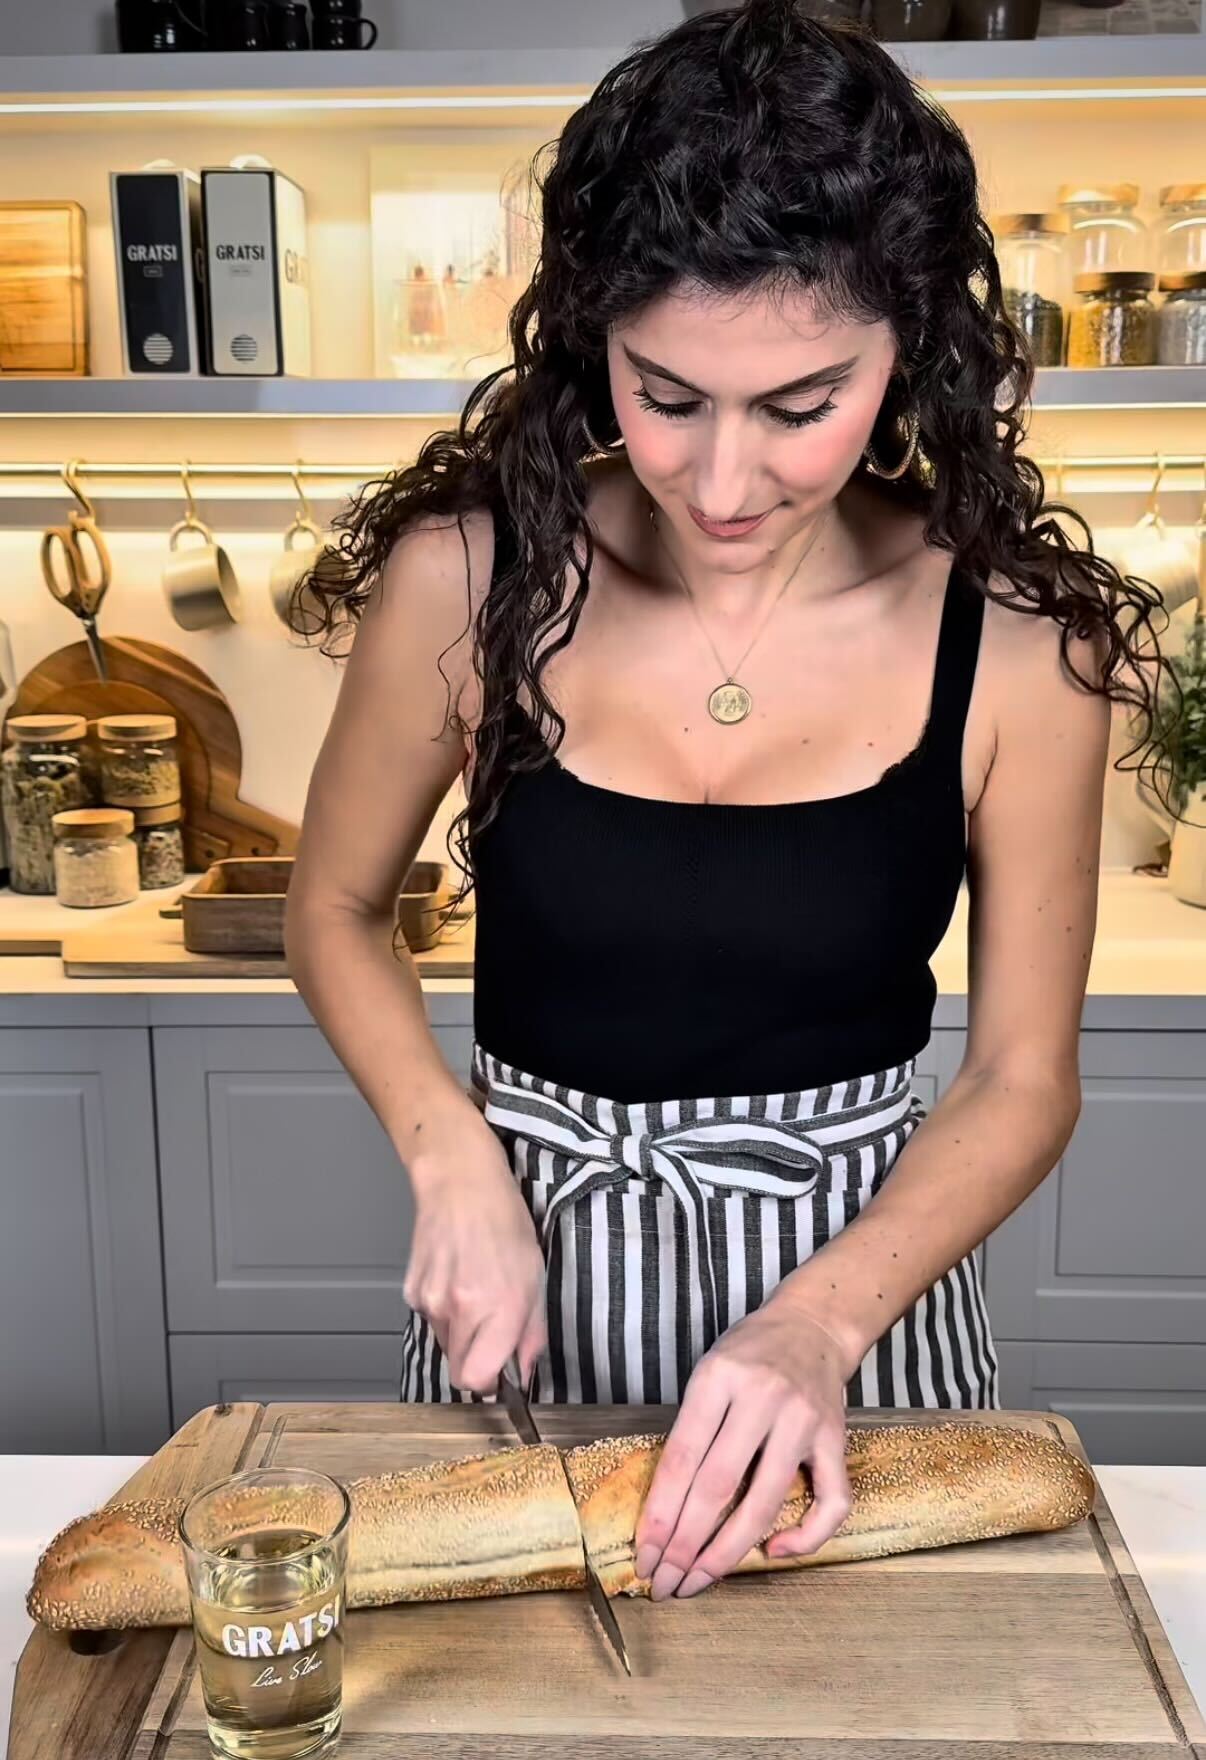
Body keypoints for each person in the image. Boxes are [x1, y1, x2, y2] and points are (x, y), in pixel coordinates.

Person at [284, 0, 1169, 1604]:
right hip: (528, 1286)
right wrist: (450, 1161)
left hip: (862, 1306)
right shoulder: (468, 583)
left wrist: (818, 1321)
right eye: (667, 394)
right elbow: (332, 910)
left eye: (799, 405)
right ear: (585, 336)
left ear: (912, 346)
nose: (720, 482)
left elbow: (1023, 1079)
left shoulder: (1021, 645)